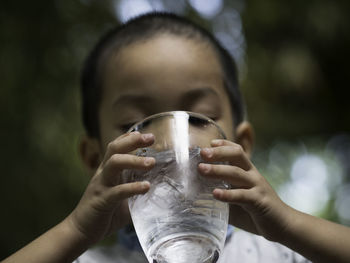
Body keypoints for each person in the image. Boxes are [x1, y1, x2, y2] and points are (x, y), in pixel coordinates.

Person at [2, 12, 350, 263]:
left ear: (240, 146)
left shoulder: (278, 253)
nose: (171, 142)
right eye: (132, 125)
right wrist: (76, 231)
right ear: (95, 160)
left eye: (201, 119)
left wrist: (288, 224)